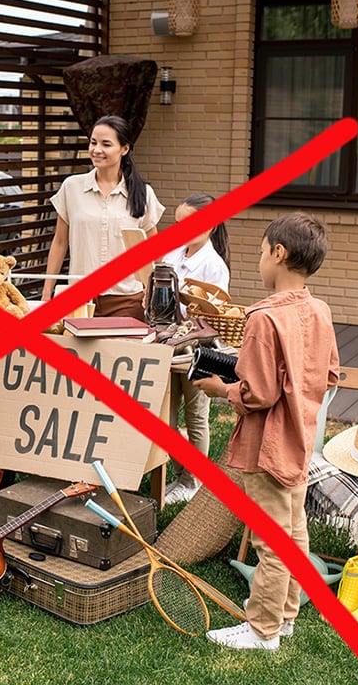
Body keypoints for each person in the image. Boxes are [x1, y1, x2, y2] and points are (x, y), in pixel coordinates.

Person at [194, 211, 339, 650]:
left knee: (270, 541)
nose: (259, 260)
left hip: (267, 446)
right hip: (301, 440)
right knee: (294, 533)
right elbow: (329, 374)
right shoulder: (320, 309)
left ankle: (262, 631)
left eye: (261, 251)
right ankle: (285, 617)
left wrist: (221, 389)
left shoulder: (261, 317)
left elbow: (257, 393)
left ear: (279, 253)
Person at [41, 115, 164, 320]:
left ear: (124, 149)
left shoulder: (143, 193)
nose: (97, 150)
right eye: (93, 142)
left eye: (106, 144)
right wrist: (47, 295)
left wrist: (152, 291)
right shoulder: (72, 187)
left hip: (127, 300)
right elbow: (60, 242)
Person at [159, 193, 230, 504]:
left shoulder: (215, 266)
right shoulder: (173, 254)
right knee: (166, 416)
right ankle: (181, 474)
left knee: (196, 413)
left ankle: (193, 483)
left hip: (197, 348)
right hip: (168, 343)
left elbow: (215, 315)